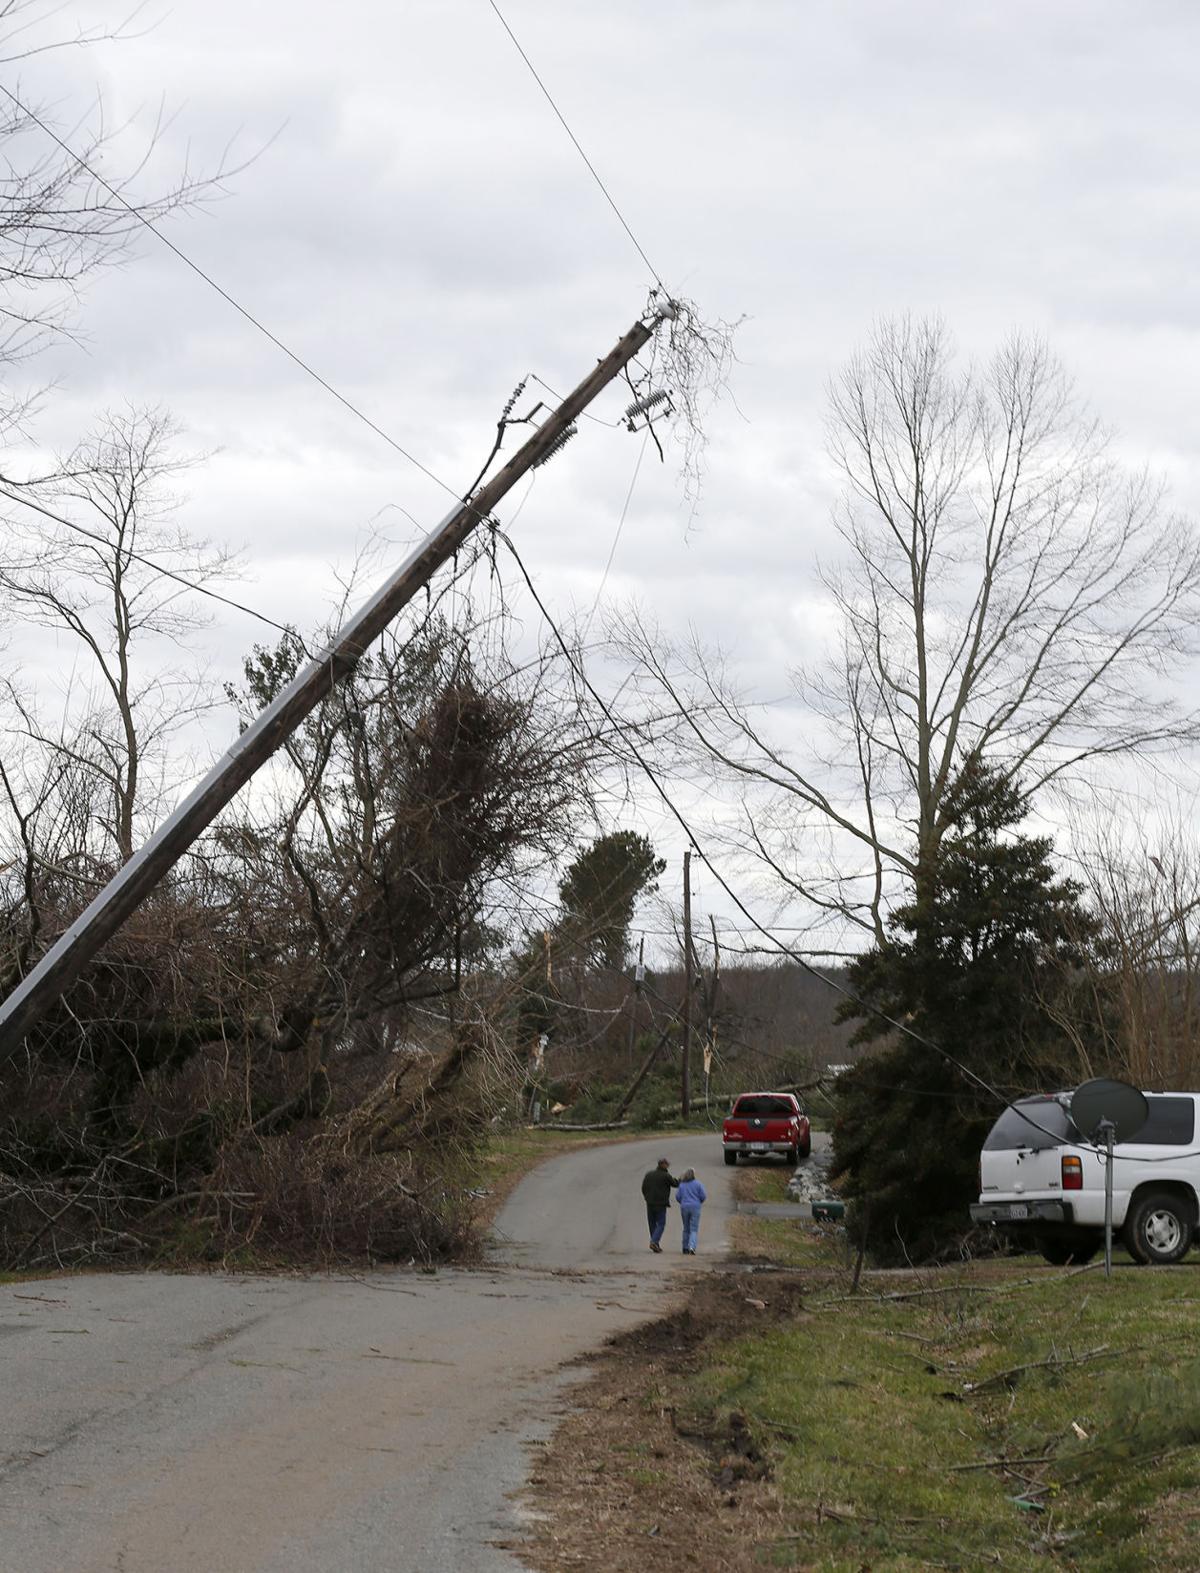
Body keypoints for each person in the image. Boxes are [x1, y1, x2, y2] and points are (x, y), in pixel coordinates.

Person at [640, 1156, 678, 1252]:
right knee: (661, 1223)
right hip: (661, 1203)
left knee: (652, 1223)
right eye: (667, 1164)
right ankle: (654, 1241)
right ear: (664, 1165)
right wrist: (682, 1179)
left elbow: (643, 1187)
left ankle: (655, 1244)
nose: (668, 1166)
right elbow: (675, 1184)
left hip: (650, 1203)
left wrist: (647, 1197)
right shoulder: (666, 1176)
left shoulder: (649, 1174)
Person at [676, 1168, 707, 1254]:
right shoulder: (698, 1184)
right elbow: (703, 1196)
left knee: (686, 1228)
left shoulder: (682, 1185)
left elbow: (678, 1197)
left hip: (684, 1207)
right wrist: (699, 1202)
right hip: (695, 1207)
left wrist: (682, 1202)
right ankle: (692, 1247)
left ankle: (685, 1247)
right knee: (694, 1229)